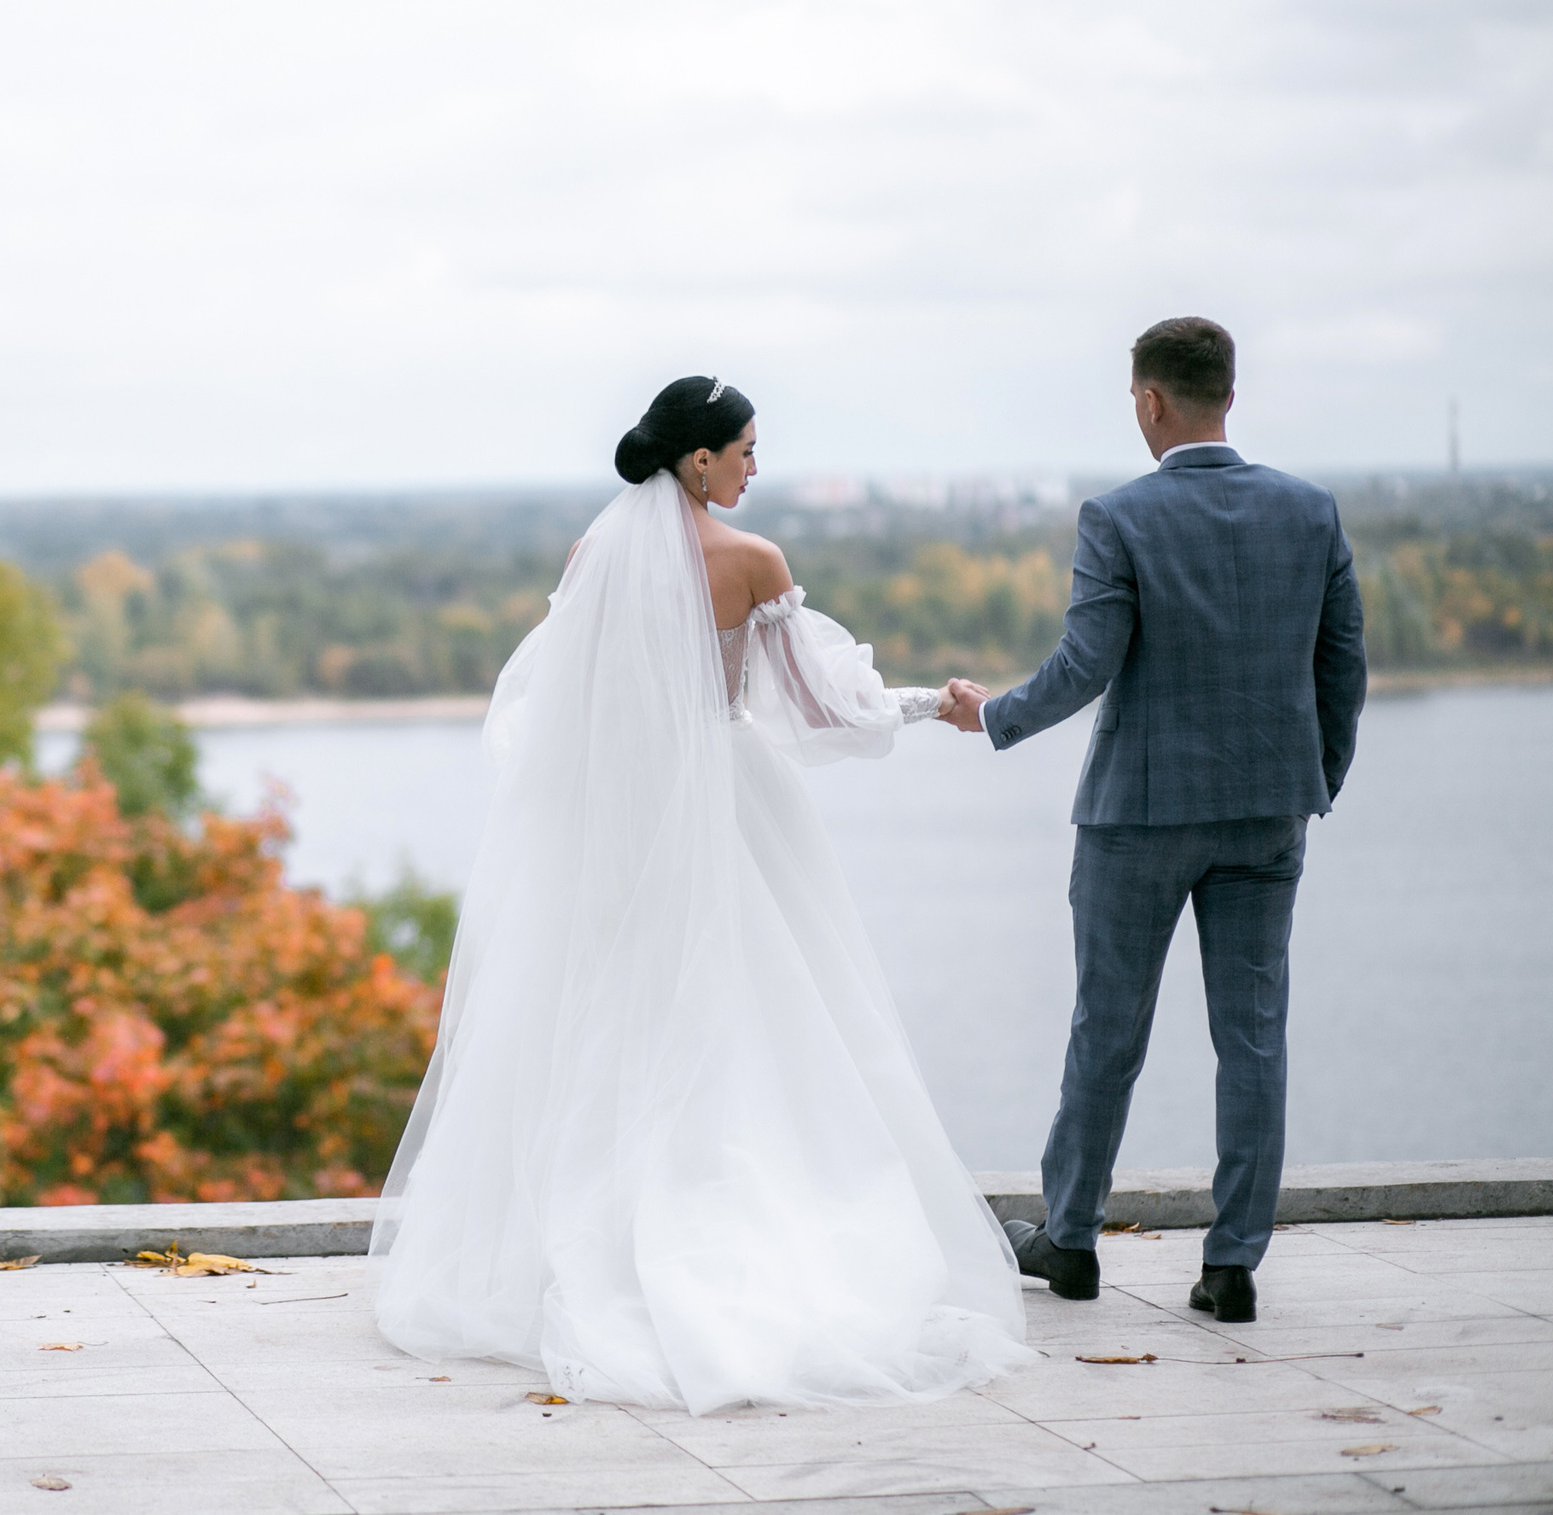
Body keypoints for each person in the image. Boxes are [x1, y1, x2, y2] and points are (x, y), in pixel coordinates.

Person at [372, 376, 1033, 1413]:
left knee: (607, 1024)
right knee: (750, 1020)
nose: (754, 468)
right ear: (699, 460)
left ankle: (588, 1233)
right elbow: (820, 709)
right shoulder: (749, 563)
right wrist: (922, 704)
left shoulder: (593, 555)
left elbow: (558, 703)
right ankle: (722, 1220)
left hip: (614, 823)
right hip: (722, 813)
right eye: (745, 450)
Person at [941, 316, 1367, 1326]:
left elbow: (1085, 665)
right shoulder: (1310, 512)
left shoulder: (1117, 517)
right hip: (1269, 814)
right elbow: (1342, 664)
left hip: (1136, 817)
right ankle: (1229, 1271)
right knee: (1253, 1040)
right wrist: (1311, 778)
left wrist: (990, 714)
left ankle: (1071, 1240)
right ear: (1228, 390)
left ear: (1148, 400)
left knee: (1107, 1031)